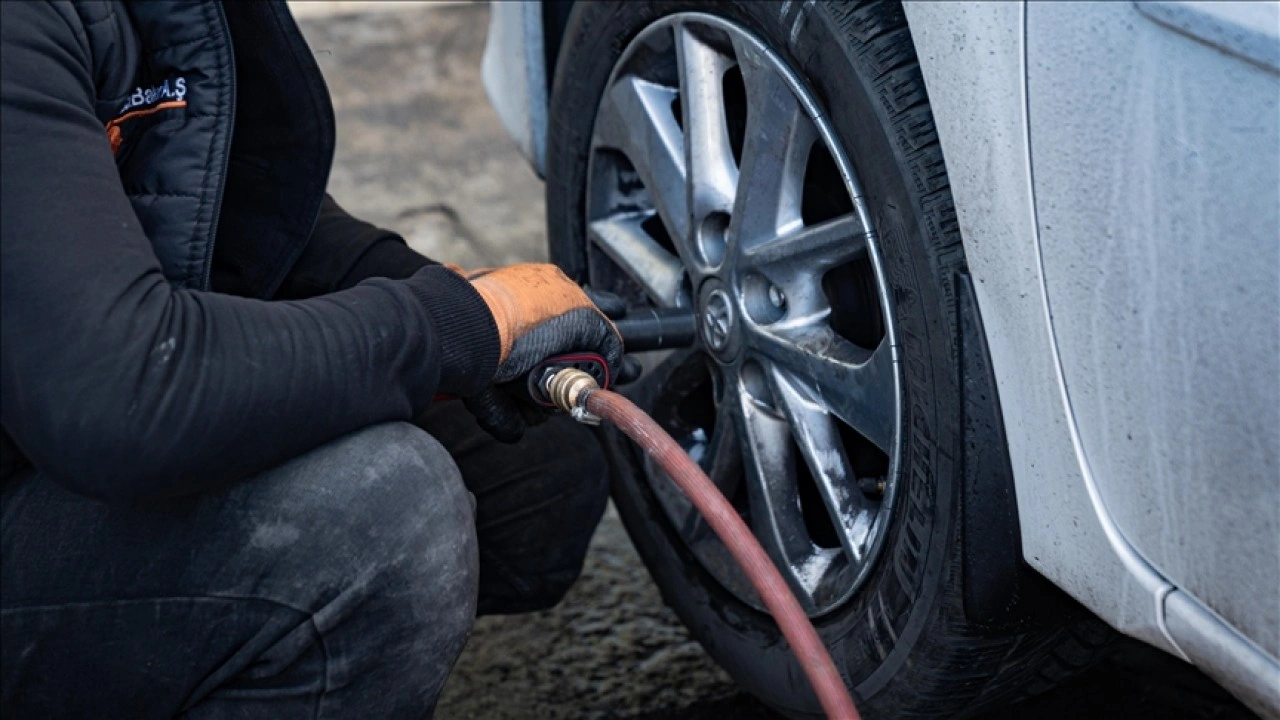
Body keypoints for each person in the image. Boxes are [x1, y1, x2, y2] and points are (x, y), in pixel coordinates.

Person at [0, 1, 624, 717]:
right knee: (380, 519)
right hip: (87, 409)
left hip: (48, 405)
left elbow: (221, 200)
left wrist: (441, 296)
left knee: (532, 479)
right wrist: (444, 328)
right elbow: (125, 393)